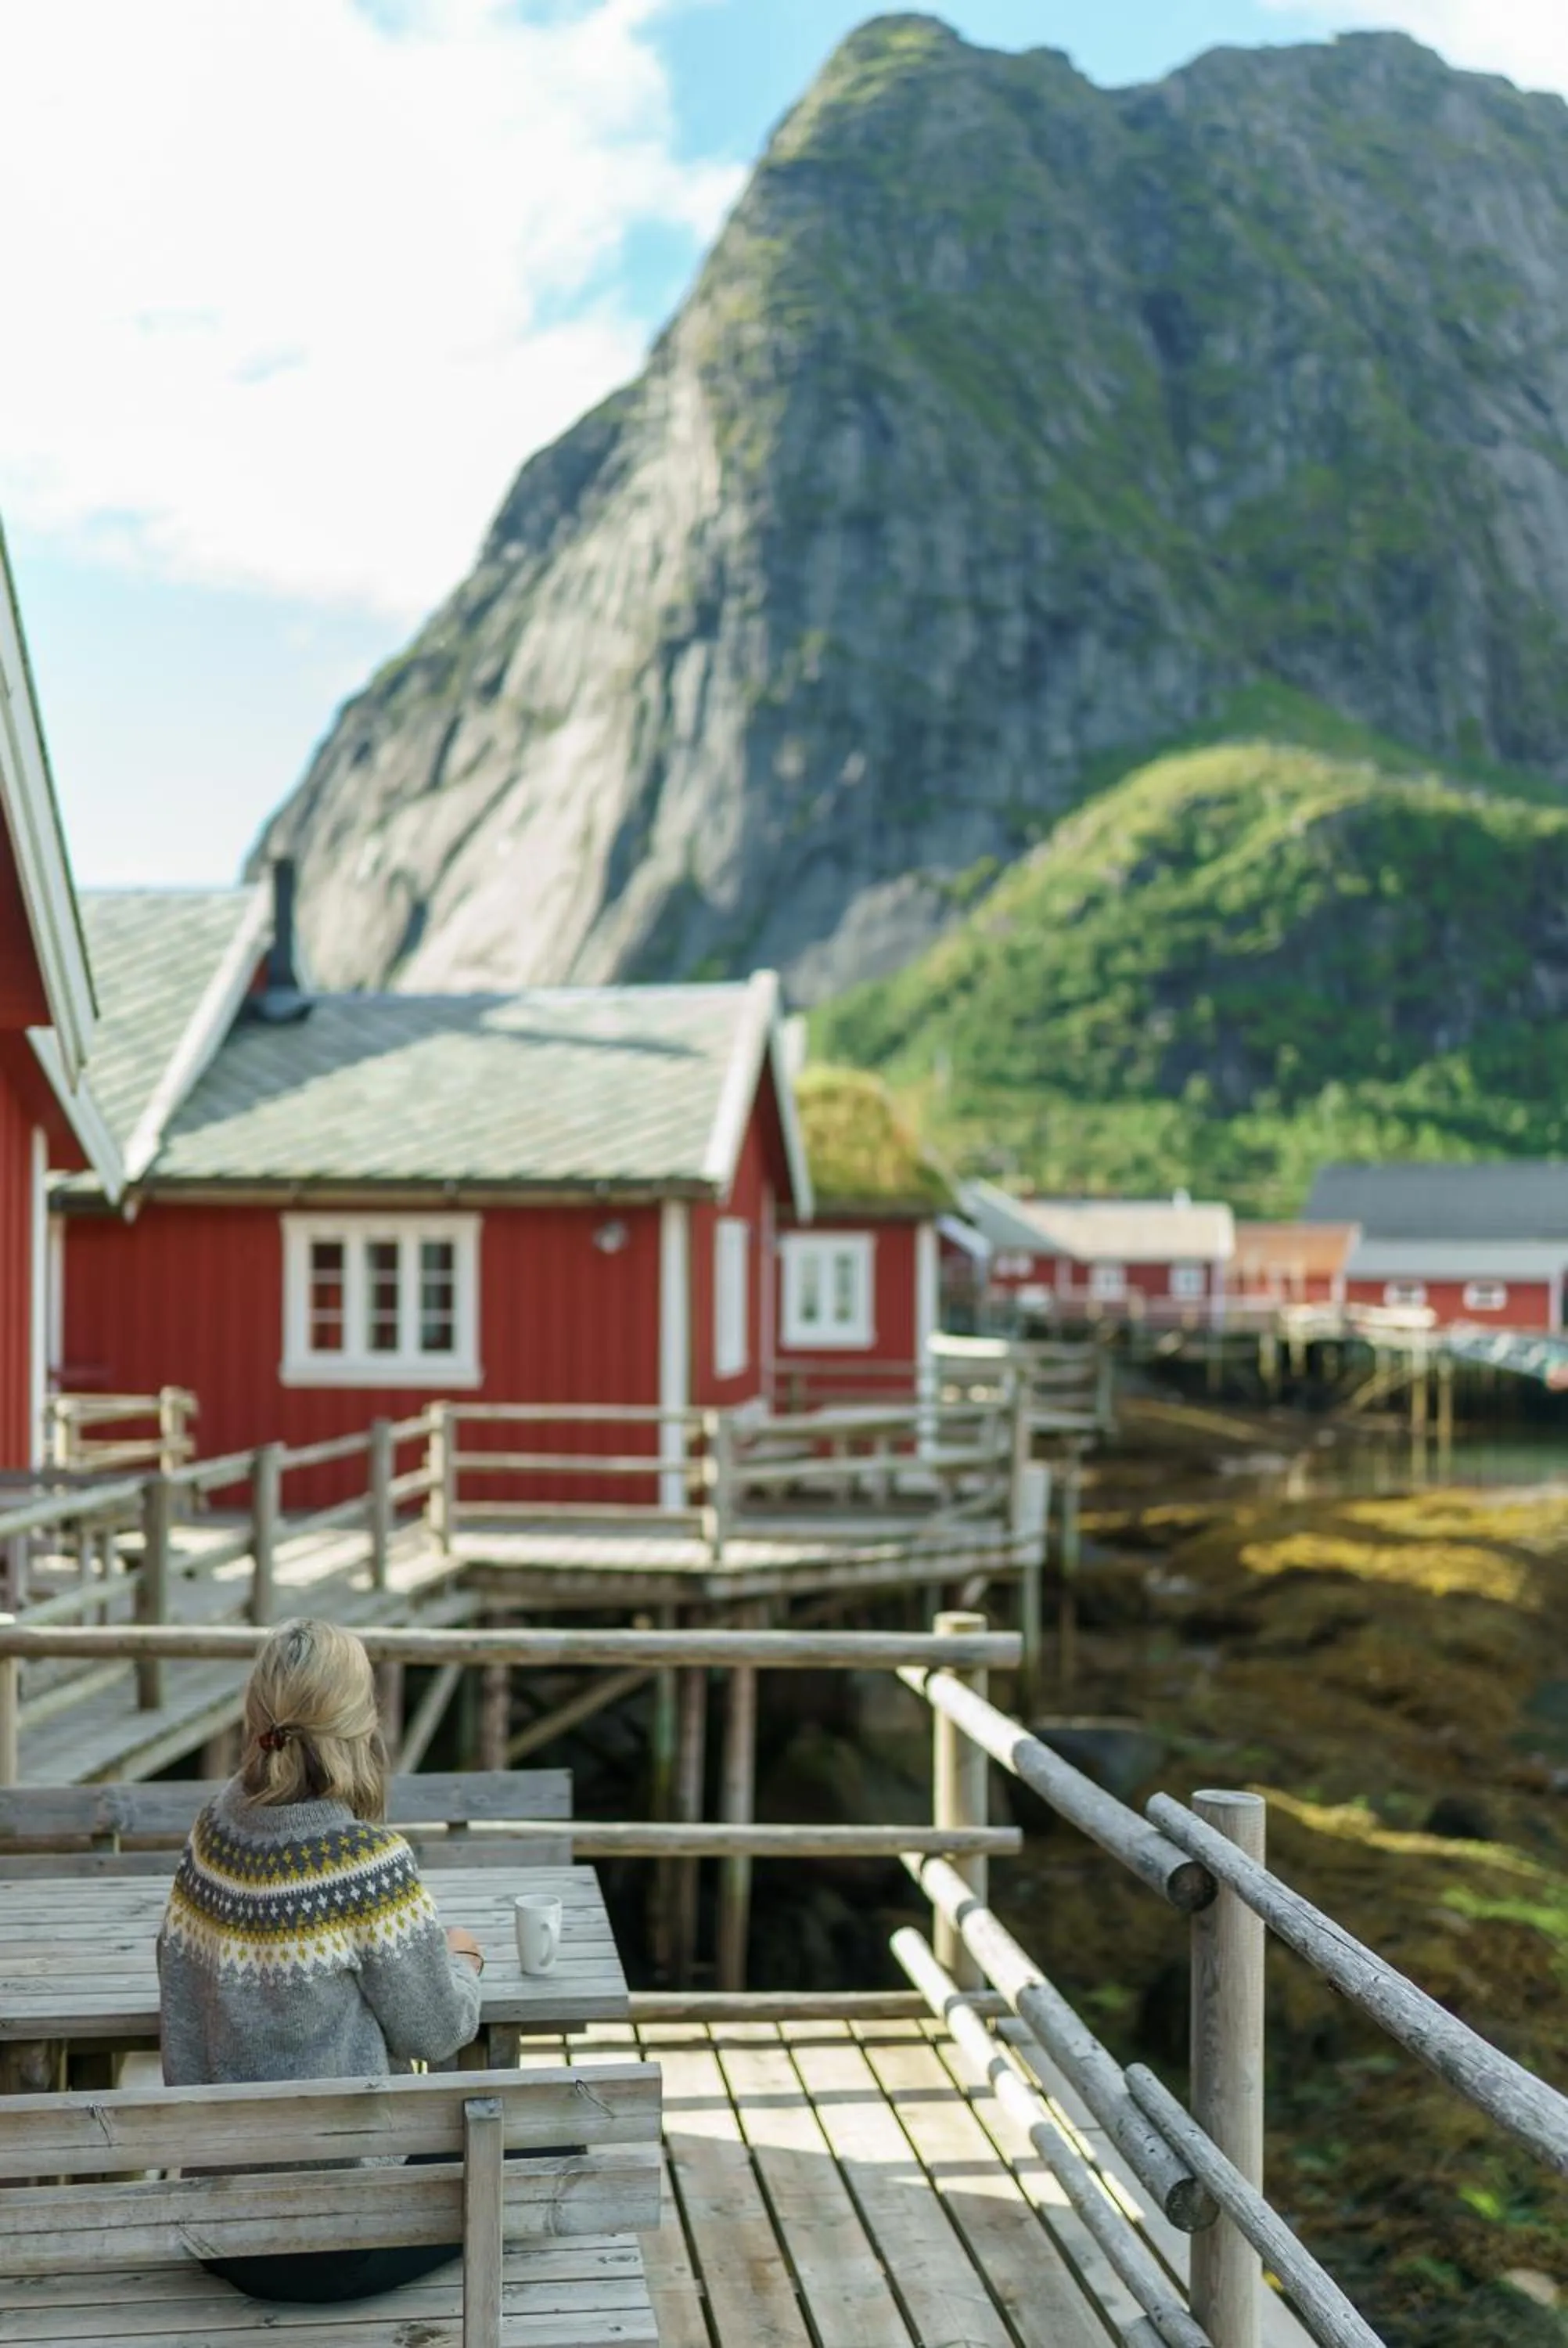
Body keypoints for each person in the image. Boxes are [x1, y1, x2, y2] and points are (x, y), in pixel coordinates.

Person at [157, 1615, 487, 2305]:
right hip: (337, 2243)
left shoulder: (212, 1832)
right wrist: (464, 1961)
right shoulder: (367, 1867)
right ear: (360, 1722)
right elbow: (434, 2031)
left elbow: (183, 1991)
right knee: (553, 2148)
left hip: (220, 2230)